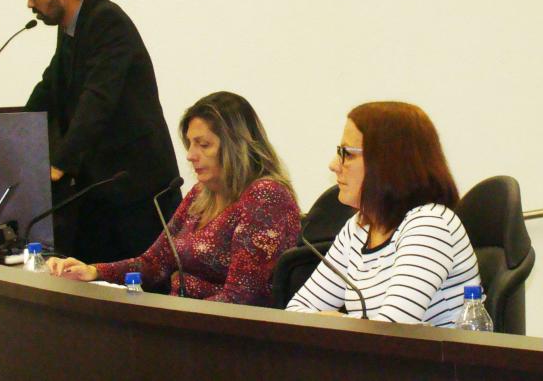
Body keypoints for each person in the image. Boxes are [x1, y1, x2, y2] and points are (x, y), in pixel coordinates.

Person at [47, 92, 301, 306]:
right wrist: (93, 271)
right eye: (190, 144)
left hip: (226, 336)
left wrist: (170, 315)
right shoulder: (200, 195)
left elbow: (243, 297)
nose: (190, 155)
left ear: (236, 147)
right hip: (183, 321)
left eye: (203, 145)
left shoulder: (266, 197)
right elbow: (154, 263)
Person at [21, 0, 181, 261]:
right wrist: (15, 135)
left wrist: (60, 163)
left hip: (136, 188)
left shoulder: (107, 22)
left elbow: (98, 99)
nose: (29, 4)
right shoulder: (72, 27)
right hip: (100, 187)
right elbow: (51, 86)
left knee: (139, 285)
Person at [286, 102, 481, 326]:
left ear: (389, 162)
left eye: (347, 154)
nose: (333, 165)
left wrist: (337, 321)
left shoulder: (430, 224)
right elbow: (295, 312)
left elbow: (393, 329)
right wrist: (335, 322)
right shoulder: (357, 228)